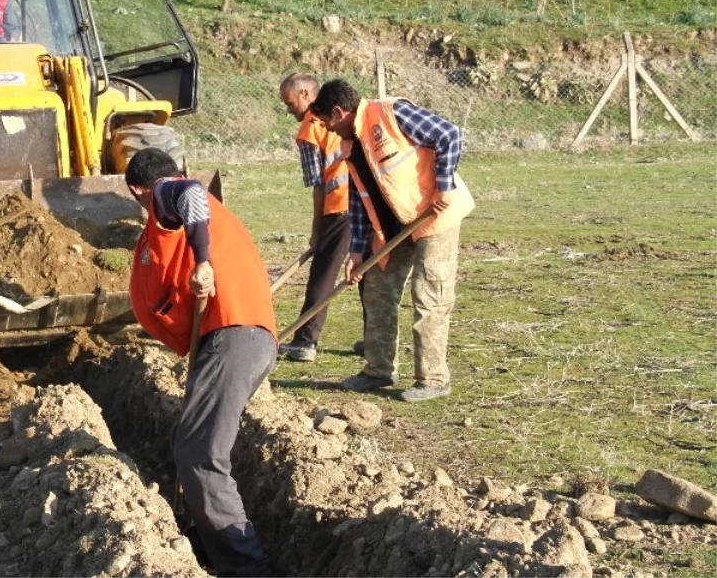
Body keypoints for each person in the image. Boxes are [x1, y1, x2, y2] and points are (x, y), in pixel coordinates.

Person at [124, 147, 276, 578]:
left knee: (201, 455)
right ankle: (204, 541)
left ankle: (248, 569)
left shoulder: (164, 194)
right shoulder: (197, 219)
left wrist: (203, 261)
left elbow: (190, 192)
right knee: (192, 442)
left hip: (234, 334)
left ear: (138, 190)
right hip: (231, 338)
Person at [309, 79, 474, 402]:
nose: (327, 129)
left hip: (433, 217)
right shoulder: (349, 147)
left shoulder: (392, 113)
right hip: (393, 228)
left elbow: (449, 134)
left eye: (326, 121)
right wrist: (356, 252)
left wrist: (443, 185)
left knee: (429, 296)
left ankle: (433, 379)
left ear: (339, 112)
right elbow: (358, 200)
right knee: (377, 291)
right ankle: (378, 371)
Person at [276, 72, 362, 362]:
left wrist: (317, 229)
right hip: (366, 200)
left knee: (322, 275)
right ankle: (377, 340)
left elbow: (317, 184)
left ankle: (305, 342)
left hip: (339, 206)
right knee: (368, 270)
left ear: (305, 95)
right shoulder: (350, 114)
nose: (289, 111)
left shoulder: (309, 130)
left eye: (289, 104)